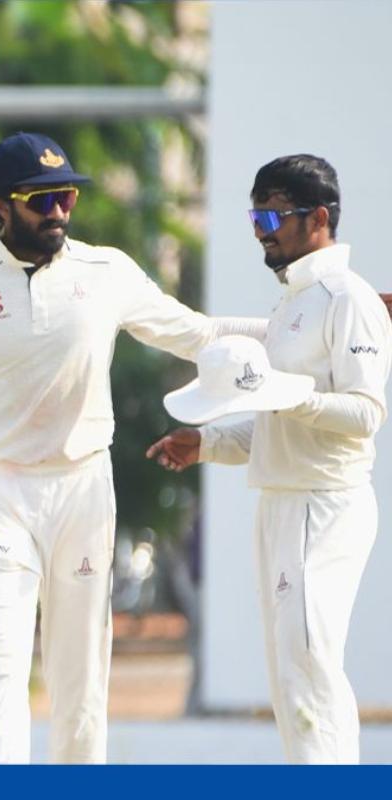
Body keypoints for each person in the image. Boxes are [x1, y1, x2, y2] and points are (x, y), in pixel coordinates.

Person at [0, 131, 267, 764]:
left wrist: (310, 332)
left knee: (79, 687)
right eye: (40, 199)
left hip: (81, 488)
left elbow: (200, 334)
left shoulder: (106, 272)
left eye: (66, 196)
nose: (57, 212)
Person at [147, 154, 391, 764]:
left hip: (325, 503)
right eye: (255, 213)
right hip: (282, 502)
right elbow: (277, 426)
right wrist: (206, 443)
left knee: (309, 663)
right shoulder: (291, 306)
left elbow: (365, 414)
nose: (261, 227)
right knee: (290, 674)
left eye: (274, 213)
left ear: (320, 218)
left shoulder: (348, 299)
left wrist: (290, 395)